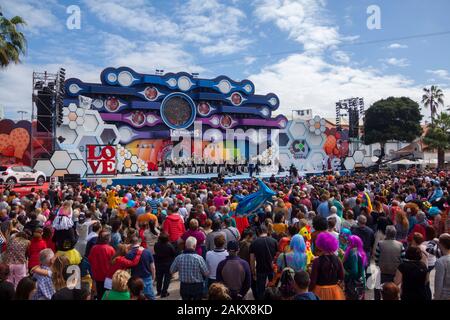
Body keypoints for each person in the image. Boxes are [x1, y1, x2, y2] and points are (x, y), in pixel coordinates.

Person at [309, 232, 345, 300]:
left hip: (319, 291)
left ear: (320, 245)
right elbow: (342, 276)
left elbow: (313, 281)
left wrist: (309, 291)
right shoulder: (338, 260)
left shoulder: (317, 261)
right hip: (335, 291)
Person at [374, 225, 405, 300]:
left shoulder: (380, 244)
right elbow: (402, 260)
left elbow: (376, 258)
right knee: (392, 293)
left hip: (382, 272)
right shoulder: (400, 245)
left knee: (378, 290)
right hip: (394, 274)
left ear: (386, 233)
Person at [249, 224, 278, 300]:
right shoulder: (274, 241)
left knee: (260, 290)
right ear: (267, 231)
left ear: (258, 232)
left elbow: (252, 259)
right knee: (273, 289)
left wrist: (253, 271)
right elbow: (277, 256)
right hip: (272, 269)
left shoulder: (254, 243)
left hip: (260, 269)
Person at [125, 236, 156, 300]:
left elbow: (126, 269)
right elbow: (153, 267)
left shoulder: (128, 254)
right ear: (139, 242)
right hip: (147, 278)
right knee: (151, 297)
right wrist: (153, 278)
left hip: (135, 281)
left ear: (131, 243)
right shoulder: (147, 252)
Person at [88, 231, 116, 300]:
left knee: (100, 294)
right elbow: (114, 262)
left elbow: (90, 260)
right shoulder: (110, 249)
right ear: (107, 239)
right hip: (107, 276)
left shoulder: (94, 248)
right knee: (107, 295)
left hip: (97, 276)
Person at [343, 235, 367, 300]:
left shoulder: (353, 252)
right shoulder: (360, 252)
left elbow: (354, 271)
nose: (347, 242)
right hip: (361, 282)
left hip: (353, 284)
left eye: (349, 241)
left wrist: (345, 272)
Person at [154, 232, 176, 298]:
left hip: (159, 263)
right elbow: (173, 253)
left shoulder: (156, 245)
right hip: (168, 264)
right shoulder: (169, 246)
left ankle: (159, 291)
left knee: (159, 278)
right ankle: (164, 292)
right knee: (167, 279)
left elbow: (155, 251)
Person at [434, 233, 450, 300]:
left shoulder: (441, 261)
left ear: (440, 244)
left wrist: (436, 298)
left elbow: (439, 283)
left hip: (444, 296)